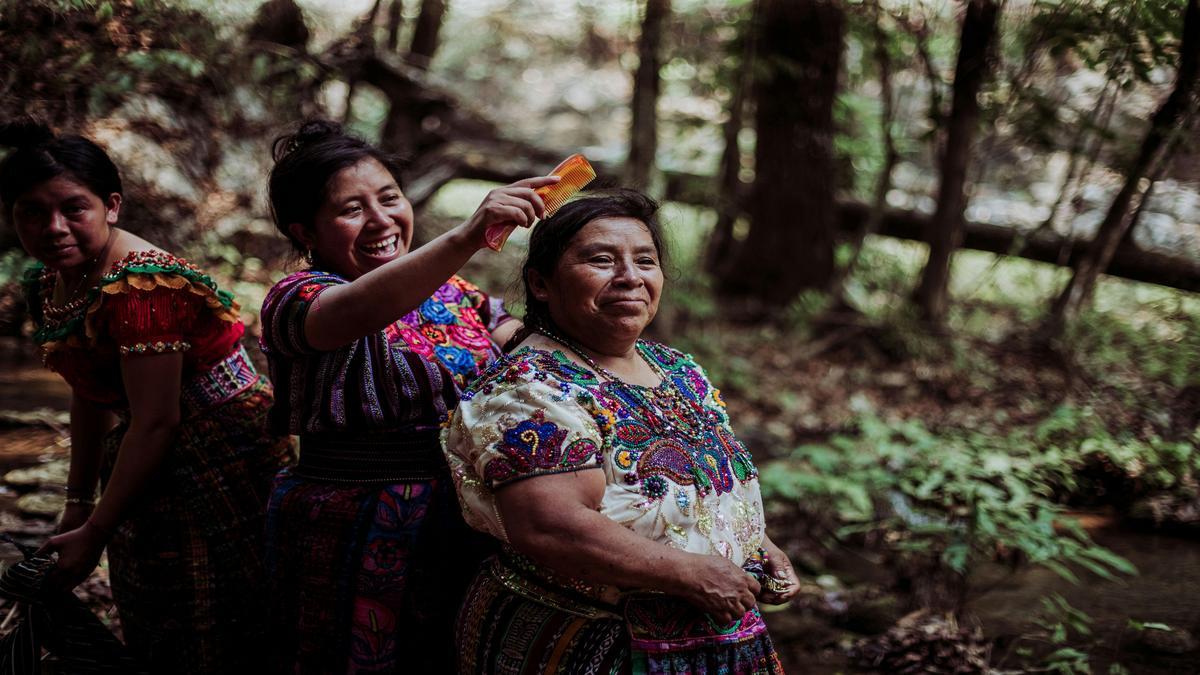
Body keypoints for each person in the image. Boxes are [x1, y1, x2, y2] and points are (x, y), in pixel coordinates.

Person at [443, 190, 799, 674]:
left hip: (714, 635)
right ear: (542, 284)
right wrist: (691, 572)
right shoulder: (530, 389)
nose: (630, 277)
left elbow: (707, 485)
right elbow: (550, 526)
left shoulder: (675, 368)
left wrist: (759, 545)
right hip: (591, 641)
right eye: (602, 260)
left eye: (645, 261)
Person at [259, 119, 559, 673]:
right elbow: (359, 311)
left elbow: (526, 343)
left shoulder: (452, 291)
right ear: (306, 232)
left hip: (463, 522)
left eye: (390, 198)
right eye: (352, 210)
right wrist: (469, 235)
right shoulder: (296, 299)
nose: (381, 221)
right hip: (351, 525)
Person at [0, 120, 294, 673]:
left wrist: (97, 530)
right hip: (148, 444)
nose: (53, 227)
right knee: (153, 598)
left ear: (111, 206)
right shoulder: (52, 281)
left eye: (73, 208)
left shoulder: (143, 288)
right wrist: (78, 503)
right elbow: (89, 394)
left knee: (214, 609)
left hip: (221, 450)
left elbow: (157, 419)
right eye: (31, 212)